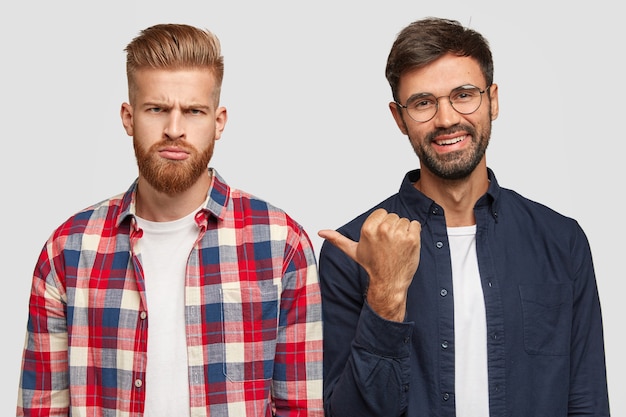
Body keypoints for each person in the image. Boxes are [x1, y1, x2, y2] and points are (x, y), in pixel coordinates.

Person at [16, 23, 323, 417]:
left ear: (219, 120)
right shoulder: (67, 251)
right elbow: (41, 409)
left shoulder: (281, 244)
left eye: (193, 111)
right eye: (156, 109)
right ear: (128, 117)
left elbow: (301, 407)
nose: (174, 129)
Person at [318, 17, 610, 417]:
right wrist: (385, 297)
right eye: (423, 102)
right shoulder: (353, 252)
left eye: (463, 95)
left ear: (492, 100)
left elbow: (587, 402)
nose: (446, 119)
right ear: (399, 118)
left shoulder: (561, 241)